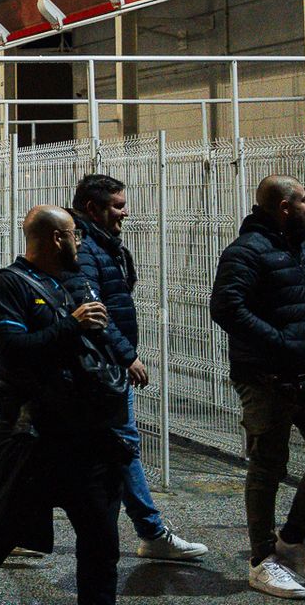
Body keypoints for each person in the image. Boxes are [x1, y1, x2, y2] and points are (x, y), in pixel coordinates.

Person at [0, 206, 129, 605]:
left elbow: (99, 342)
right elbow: (12, 350)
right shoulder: (9, 284)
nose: (79, 242)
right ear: (55, 238)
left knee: (101, 542)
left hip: (86, 435)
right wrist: (72, 324)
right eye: (73, 235)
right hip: (36, 439)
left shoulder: (77, 283)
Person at [210, 175, 305, 599]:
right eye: (304, 200)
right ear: (285, 206)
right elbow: (225, 307)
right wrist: (285, 342)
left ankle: (291, 541)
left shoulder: (294, 244)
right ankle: (261, 561)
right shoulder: (246, 251)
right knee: (267, 466)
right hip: (265, 378)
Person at [69, 174, 207, 562]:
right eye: (117, 206)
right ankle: (150, 530)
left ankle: (20, 525)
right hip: (103, 368)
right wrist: (126, 354)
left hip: (103, 365)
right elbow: (92, 306)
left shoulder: (101, 244)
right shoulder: (86, 248)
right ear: (93, 209)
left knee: (109, 449)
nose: (125, 213)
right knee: (123, 446)